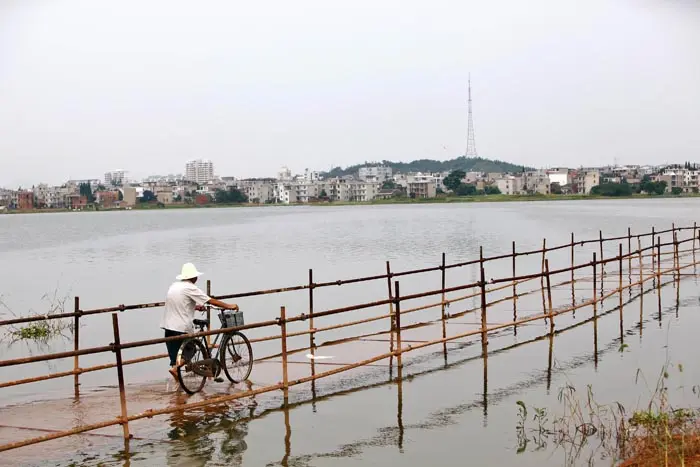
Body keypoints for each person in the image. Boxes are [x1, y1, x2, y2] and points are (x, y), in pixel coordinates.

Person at [161, 262, 238, 381]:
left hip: (168, 326)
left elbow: (181, 302)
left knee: (175, 356)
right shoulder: (190, 287)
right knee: (191, 349)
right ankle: (176, 369)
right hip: (181, 327)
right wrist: (229, 306)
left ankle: (178, 386)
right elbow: (210, 300)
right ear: (193, 277)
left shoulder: (174, 286)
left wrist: (195, 307)